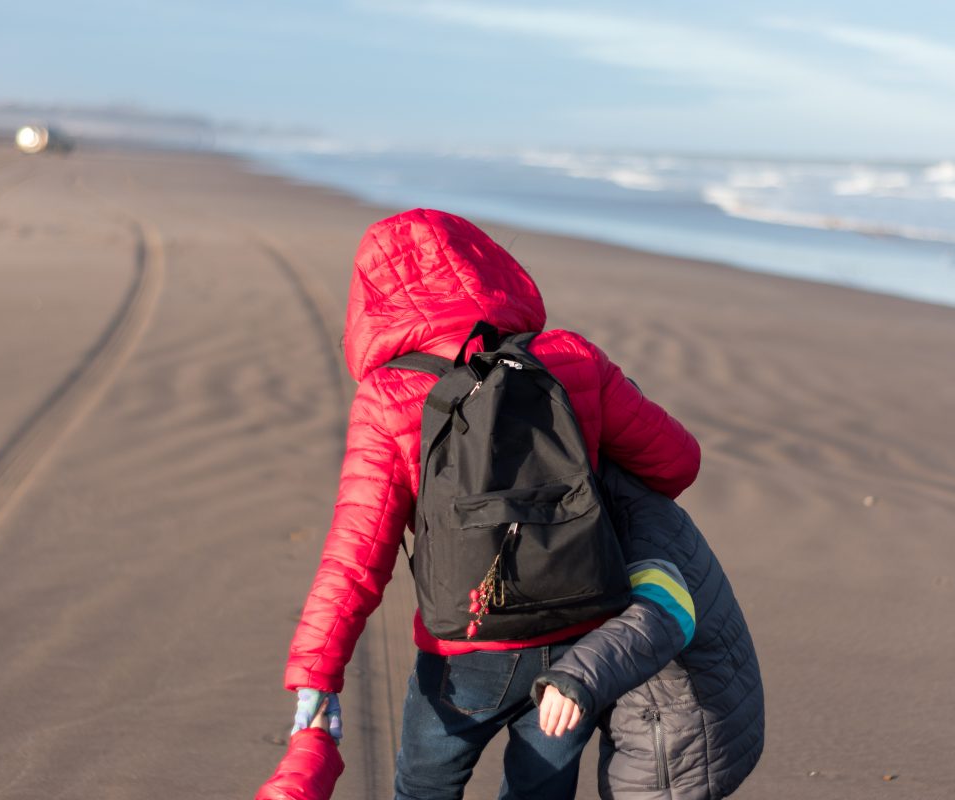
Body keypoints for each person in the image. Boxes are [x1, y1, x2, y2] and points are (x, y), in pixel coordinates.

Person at [284, 208, 701, 799]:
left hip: (465, 645)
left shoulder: (390, 395)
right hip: (578, 634)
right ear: (490, 265)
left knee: (424, 787)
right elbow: (677, 460)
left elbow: (356, 552)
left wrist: (316, 674)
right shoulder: (570, 357)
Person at [531, 461, 765, 799]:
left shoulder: (626, 528)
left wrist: (576, 677)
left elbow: (663, 614)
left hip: (676, 739)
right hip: (707, 716)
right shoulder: (635, 497)